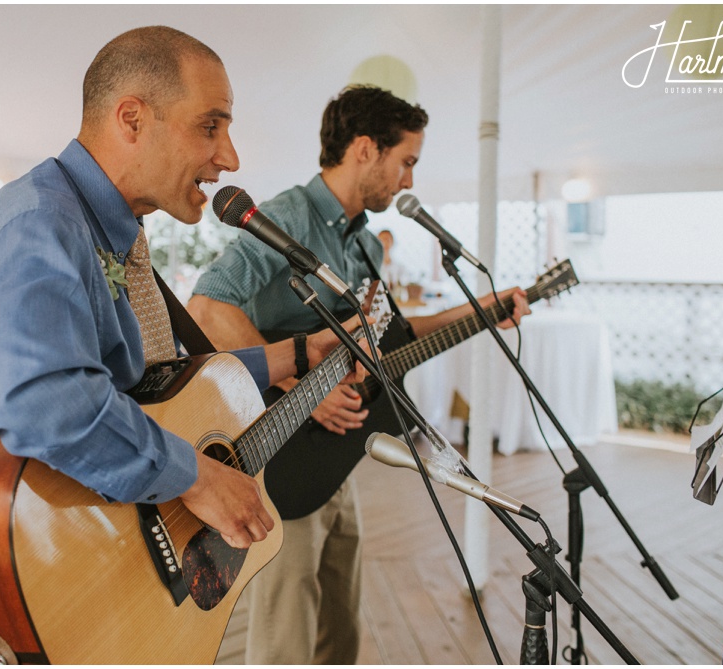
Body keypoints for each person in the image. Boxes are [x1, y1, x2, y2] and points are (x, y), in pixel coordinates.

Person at [0, 26, 364, 563]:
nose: (230, 158)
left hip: (108, 541)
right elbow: (42, 403)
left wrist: (297, 355)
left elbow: (155, 383)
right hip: (54, 554)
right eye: (210, 126)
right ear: (132, 119)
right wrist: (196, 479)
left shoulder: (113, 230)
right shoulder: (41, 225)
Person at [188, 85, 531, 664]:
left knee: (340, 623)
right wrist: (298, 392)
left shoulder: (365, 242)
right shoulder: (290, 216)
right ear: (366, 150)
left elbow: (394, 331)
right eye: (407, 162)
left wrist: (485, 309)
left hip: (334, 456)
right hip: (279, 455)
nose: (409, 182)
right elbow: (209, 306)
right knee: (285, 631)